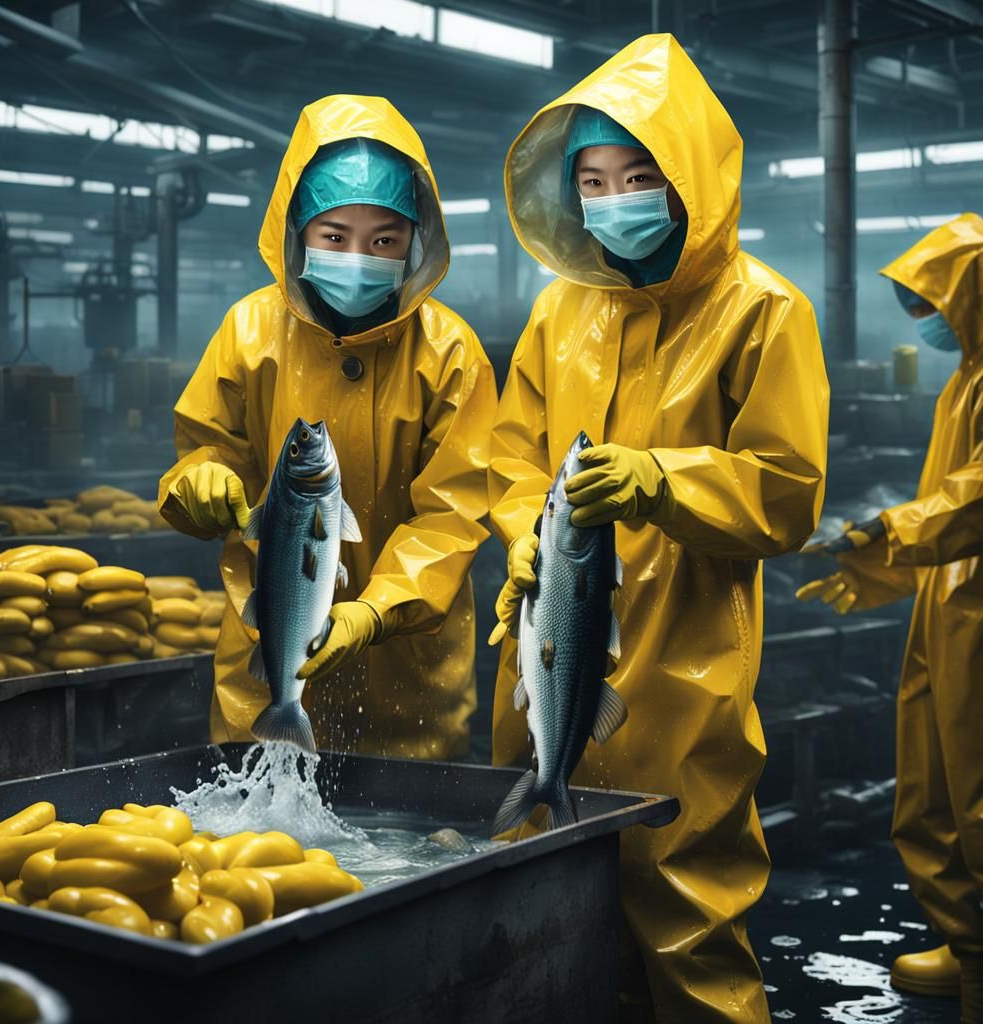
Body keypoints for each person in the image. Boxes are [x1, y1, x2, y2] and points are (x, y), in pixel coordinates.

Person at [488, 33, 829, 1024]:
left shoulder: (764, 311)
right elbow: (514, 459)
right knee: (546, 921)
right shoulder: (560, 310)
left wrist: (659, 480)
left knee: (685, 916)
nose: (613, 199)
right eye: (592, 182)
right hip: (547, 649)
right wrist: (519, 529)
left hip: (685, 675)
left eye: (639, 177)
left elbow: (786, 492)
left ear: (690, 180)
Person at [159, 94, 497, 760]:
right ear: (298, 232)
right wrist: (200, 482)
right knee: (260, 826)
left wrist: (376, 611)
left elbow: (453, 515)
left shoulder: (450, 353)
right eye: (335, 237)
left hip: (409, 684)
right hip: (266, 673)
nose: (359, 256)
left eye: (384, 240)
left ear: (415, 239)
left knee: (410, 824)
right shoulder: (248, 332)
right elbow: (206, 449)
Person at [797, 213, 983, 1019]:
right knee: (930, 787)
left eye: (929, 302)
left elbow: (974, 499)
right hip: (951, 605)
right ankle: (969, 943)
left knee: (978, 790)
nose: (921, 320)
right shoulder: (965, 378)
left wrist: (891, 528)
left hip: (976, 614)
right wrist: (885, 566)